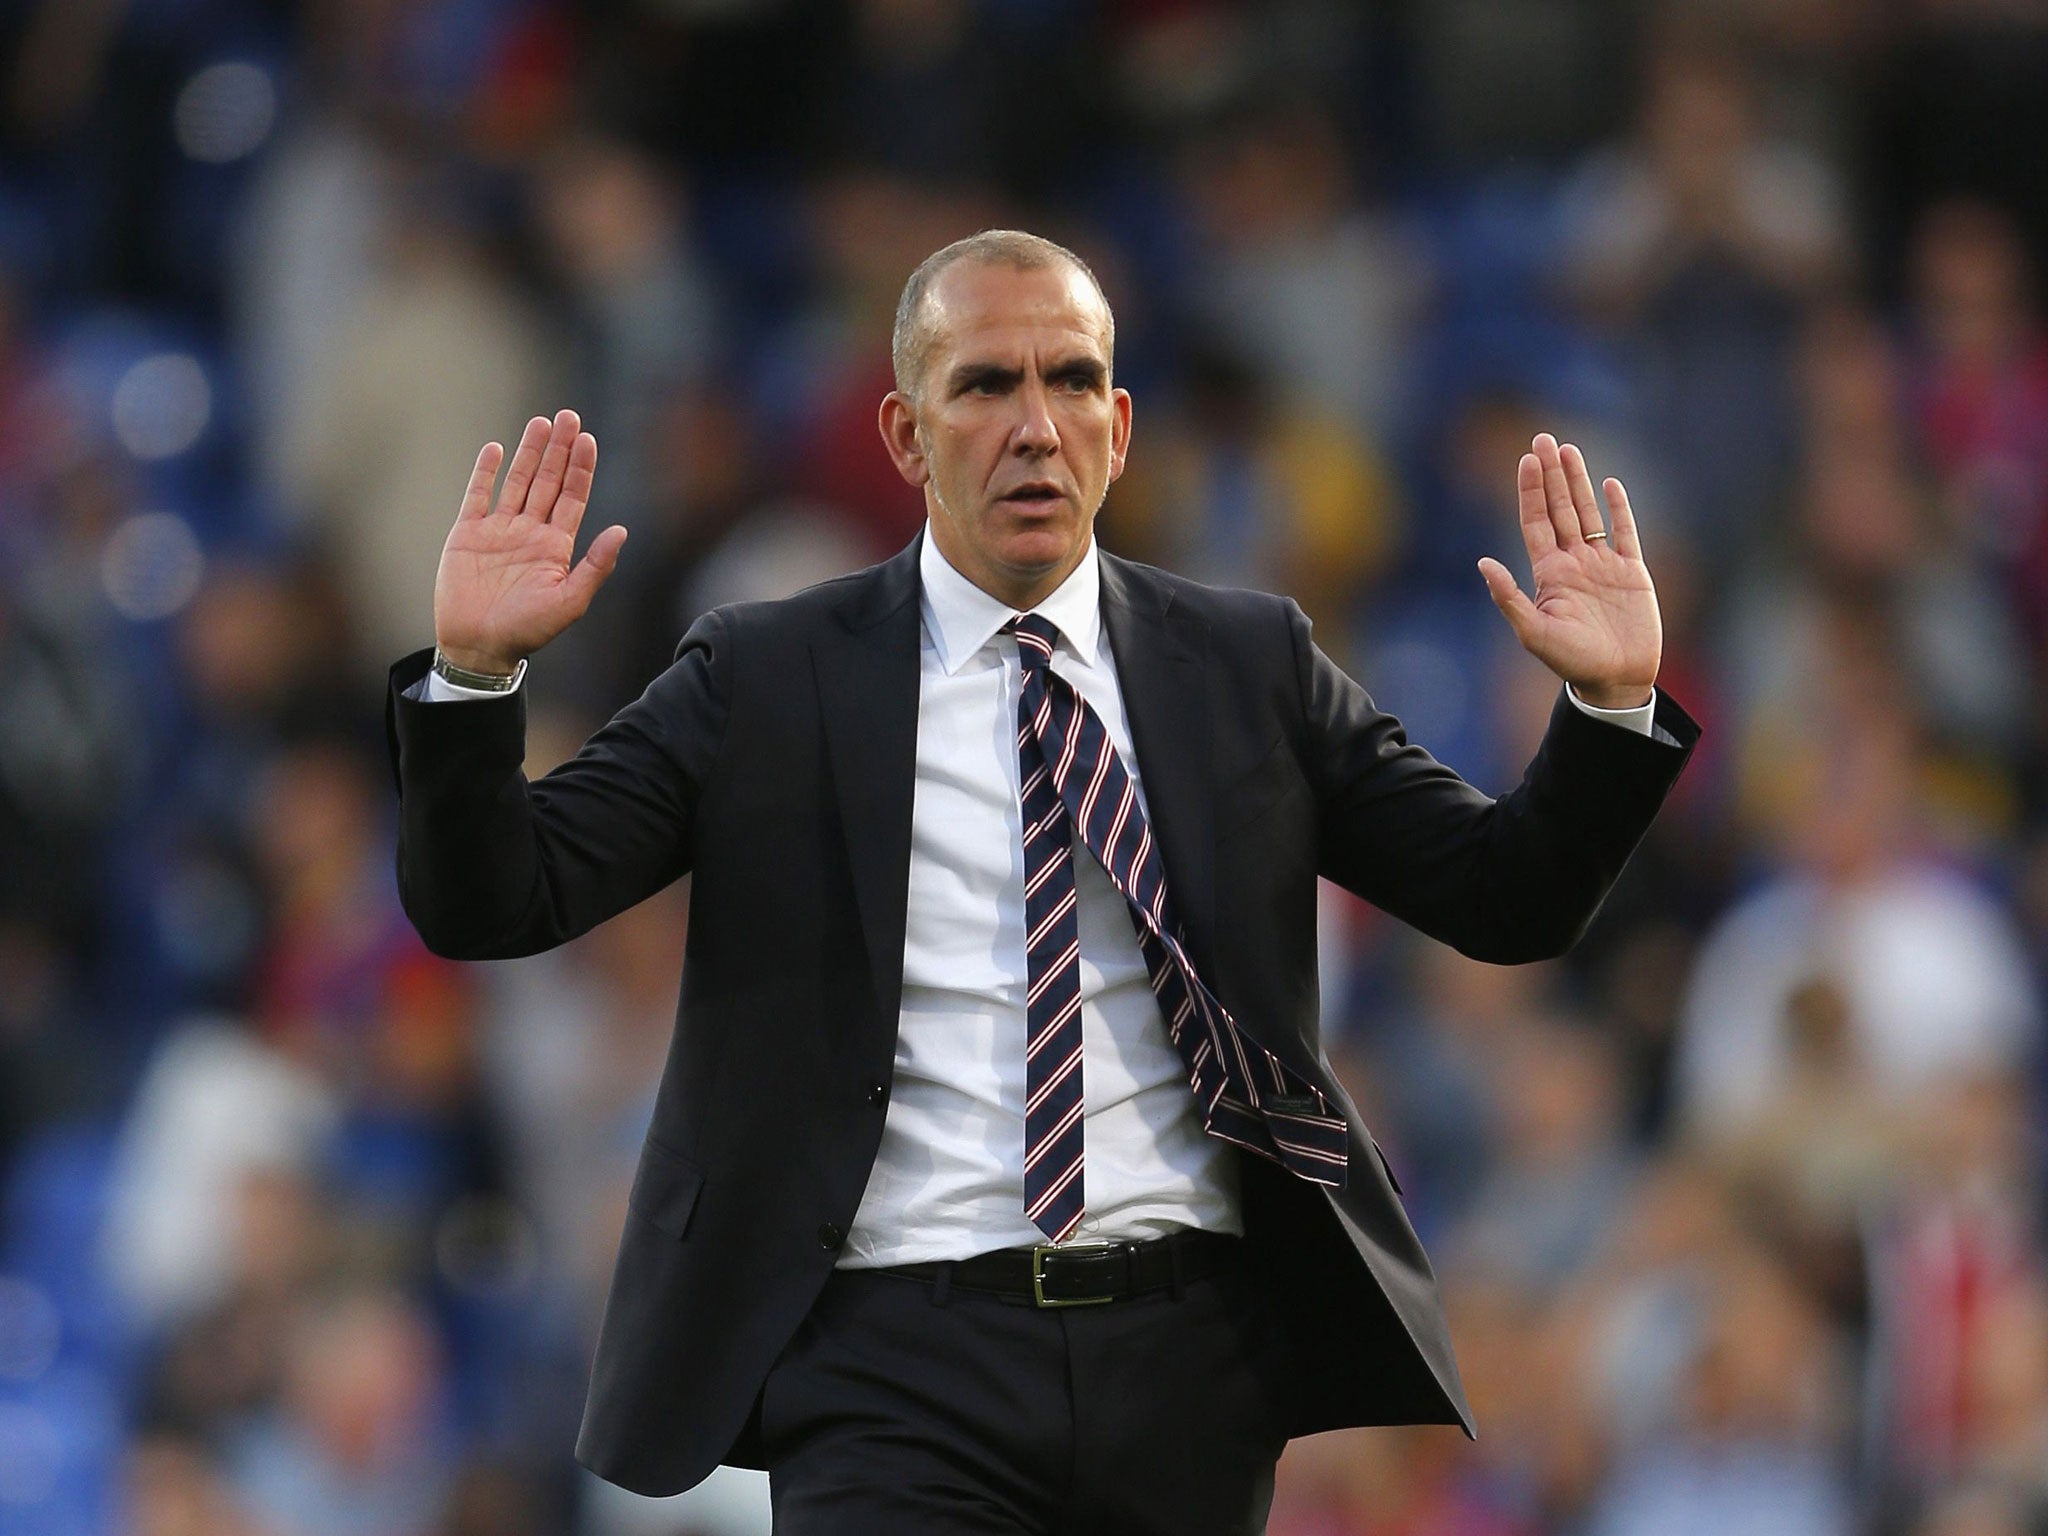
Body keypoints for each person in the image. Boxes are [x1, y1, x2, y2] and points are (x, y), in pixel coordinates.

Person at [386, 230, 1698, 1534]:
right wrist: (475, 685)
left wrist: (1608, 704)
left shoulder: (1249, 664)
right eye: (985, 386)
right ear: (907, 437)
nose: (1035, 426)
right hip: (890, 1360)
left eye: (1071, 382)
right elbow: (500, 900)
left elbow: (1504, 898)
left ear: (1121, 428)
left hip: (1188, 1358)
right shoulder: (766, 677)